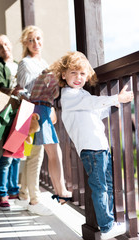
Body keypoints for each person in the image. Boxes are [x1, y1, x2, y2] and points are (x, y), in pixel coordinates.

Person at [50, 51, 134, 240]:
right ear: (64, 74)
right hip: (91, 149)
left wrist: (112, 106)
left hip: (100, 147)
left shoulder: (81, 94)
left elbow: (94, 112)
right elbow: (89, 103)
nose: (78, 77)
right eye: (73, 73)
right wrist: (115, 98)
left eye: (82, 73)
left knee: (107, 185)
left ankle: (110, 221)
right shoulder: (69, 95)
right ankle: (105, 227)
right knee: (100, 188)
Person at [15, 25, 72, 215]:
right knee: (36, 156)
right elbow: (26, 87)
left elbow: (48, 91)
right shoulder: (25, 63)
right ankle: (34, 201)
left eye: (38, 39)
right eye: (31, 40)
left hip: (43, 110)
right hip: (33, 112)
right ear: (25, 43)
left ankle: (24, 194)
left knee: (34, 155)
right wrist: (45, 76)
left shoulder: (43, 62)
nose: (35, 43)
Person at [0, 34, 20, 210]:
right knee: (6, 155)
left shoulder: (19, 64)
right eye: (0, 46)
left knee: (17, 154)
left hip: (20, 112)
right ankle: (2, 194)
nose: (4, 48)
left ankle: (14, 189)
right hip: (6, 113)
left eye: (6, 44)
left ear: (11, 44)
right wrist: (13, 90)